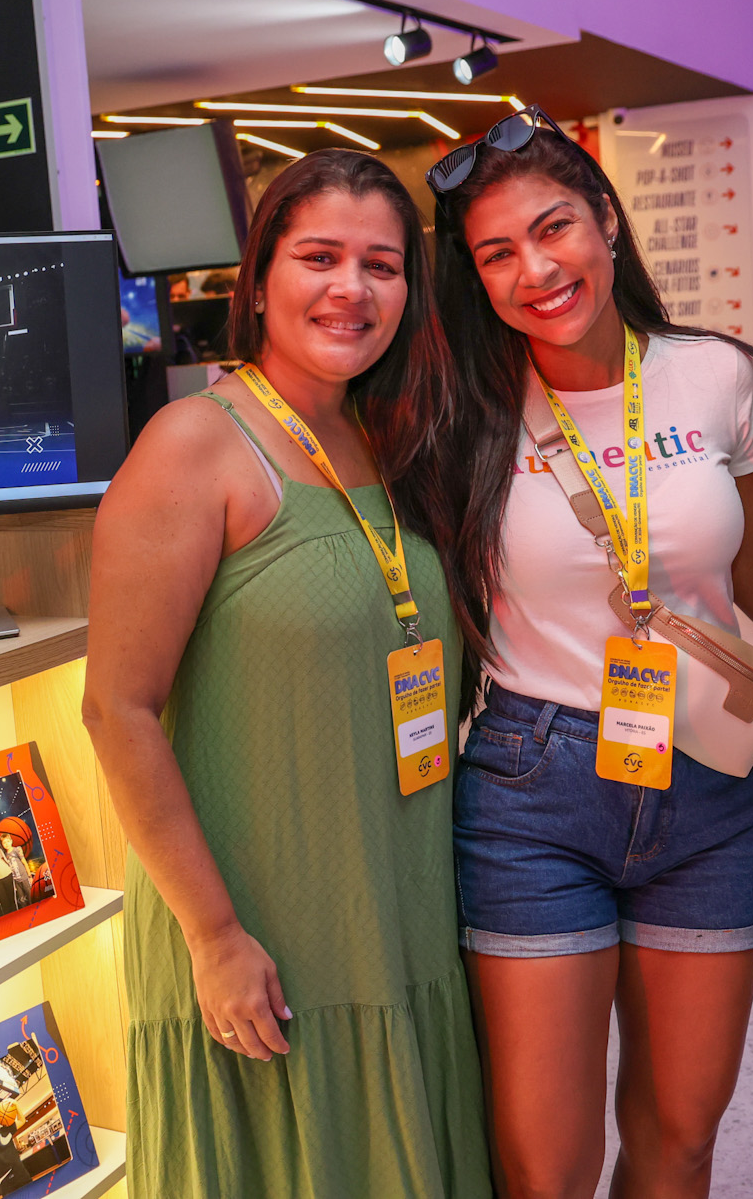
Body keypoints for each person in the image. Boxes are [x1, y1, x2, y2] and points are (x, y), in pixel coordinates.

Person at [406, 108, 753, 1199]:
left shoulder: (711, 374)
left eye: (553, 228)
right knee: (549, 1164)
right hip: (532, 792)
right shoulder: (461, 410)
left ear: (606, 222)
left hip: (709, 783)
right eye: (496, 253)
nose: (535, 270)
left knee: (681, 1134)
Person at [82, 149, 493, 1199]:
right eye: (319, 257)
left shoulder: (387, 437)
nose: (351, 288)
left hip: (393, 900)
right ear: (258, 279)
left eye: (381, 265)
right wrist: (214, 936)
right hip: (260, 922)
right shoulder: (194, 443)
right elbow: (117, 710)